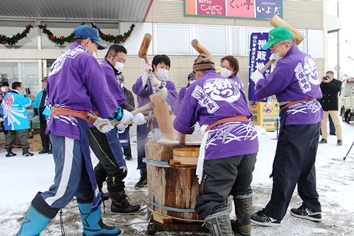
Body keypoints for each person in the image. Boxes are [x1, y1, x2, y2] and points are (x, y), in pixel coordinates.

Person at [16, 25, 122, 236]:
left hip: (69, 123)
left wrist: (93, 117)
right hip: (69, 126)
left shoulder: (59, 61)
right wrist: (116, 114)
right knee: (63, 188)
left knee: (85, 180)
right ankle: (24, 234)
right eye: (95, 46)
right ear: (87, 42)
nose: (95, 51)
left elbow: (68, 97)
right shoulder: (84, 57)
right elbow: (99, 90)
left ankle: (92, 227)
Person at [173, 54, 259, 236]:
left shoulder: (196, 86)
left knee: (212, 199)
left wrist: (181, 143)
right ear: (214, 70)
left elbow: (183, 123)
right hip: (249, 138)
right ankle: (244, 229)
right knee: (242, 187)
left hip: (223, 143)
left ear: (197, 72)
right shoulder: (234, 83)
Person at [249, 26, 323, 226]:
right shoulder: (305, 57)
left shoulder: (287, 63)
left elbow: (266, 90)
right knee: (306, 163)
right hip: (314, 115)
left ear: (286, 44)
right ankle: (311, 206)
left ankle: (273, 213)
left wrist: (258, 80)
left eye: (273, 47)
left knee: (285, 165)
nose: (271, 51)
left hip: (298, 117)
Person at [90, 45, 145, 214]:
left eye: (124, 61)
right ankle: (118, 202)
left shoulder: (111, 72)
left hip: (103, 123)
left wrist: (130, 113)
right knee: (115, 165)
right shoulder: (104, 70)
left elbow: (119, 99)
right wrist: (125, 114)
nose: (122, 63)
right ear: (110, 57)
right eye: (120, 60)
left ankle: (94, 193)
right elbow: (111, 100)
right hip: (98, 123)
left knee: (105, 162)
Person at [132, 54, 178, 188]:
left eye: (166, 67)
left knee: (162, 146)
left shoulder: (169, 84)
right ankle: (144, 175)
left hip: (161, 120)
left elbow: (173, 100)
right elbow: (138, 91)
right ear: (154, 67)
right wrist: (146, 75)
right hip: (145, 118)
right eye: (161, 66)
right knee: (143, 147)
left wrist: (161, 87)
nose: (164, 69)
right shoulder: (146, 79)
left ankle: (161, 171)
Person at [2, 82, 33, 157]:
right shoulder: (18, 96)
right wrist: (26, 96)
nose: (22, 88)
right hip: (19, 119)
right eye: (21, 87)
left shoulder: (7, 95)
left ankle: (8, 150)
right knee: (23, 135)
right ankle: (25, 151)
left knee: (11, 135)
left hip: (9, 119)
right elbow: (28, 103)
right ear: (18, 87)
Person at [318, 70, 342, 145]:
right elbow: (319, 90)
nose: (327, 77)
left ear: (332, 76)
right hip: (324, 106)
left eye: (329, 76)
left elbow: (336, 89)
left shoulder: (337, 82)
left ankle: (339, 139)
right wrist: (323, 82)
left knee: (336, 123)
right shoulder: (324, 83)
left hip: (332, 106)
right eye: (327, 76)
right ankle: (324, 138)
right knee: (323, 123)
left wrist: (329, 82)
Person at [32, 76, 52, 154]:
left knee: (51, 132)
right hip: (42, 114)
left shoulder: (53, 91)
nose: (44, 84)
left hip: (50, 115)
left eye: (45, 82)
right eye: (43, 82)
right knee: (43, 132)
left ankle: (53, 148)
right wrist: (36, 114)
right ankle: (45, 147)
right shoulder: (40, 93)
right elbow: (36, 104)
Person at [118, 74, 135, 161]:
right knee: (115, 138)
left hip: (126, 118)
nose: (120, 82)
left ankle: (128, 154)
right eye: (118, 80)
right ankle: (117, 155)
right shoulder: (112, 91)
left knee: (126, 138)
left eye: (121, 81)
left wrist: (132, 117)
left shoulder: (128, 93)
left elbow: (132, 106)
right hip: (115, 118)